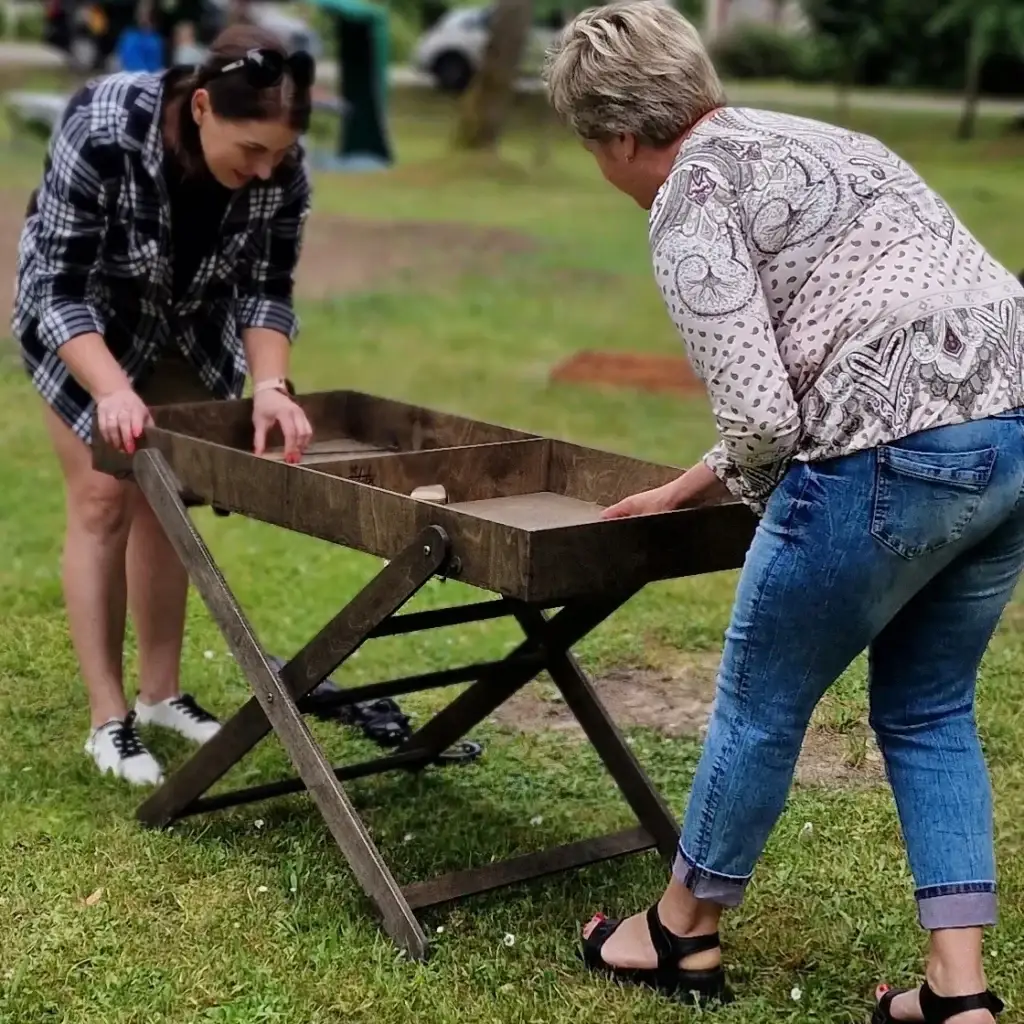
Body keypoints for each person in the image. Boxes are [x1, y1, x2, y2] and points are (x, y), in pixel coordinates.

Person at [543, 3, 1022, 1021]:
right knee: (931, 709)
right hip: (1011, 430)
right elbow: (859, 326)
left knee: (760, 702)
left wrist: (783, 514)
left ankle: (679, 933)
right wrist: (697, 479)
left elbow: (765, 414)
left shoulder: (687, 197)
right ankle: (956, 995)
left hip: (888, 452)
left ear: (619, 136)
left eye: (595, 149)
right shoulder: (818, 139)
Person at [12, 24, 316, 788]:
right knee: (102, 497)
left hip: (189, 326)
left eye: (279, 155)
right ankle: (106, 718)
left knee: (168, 501)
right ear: (204, 105)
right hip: (84, 323)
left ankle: (160, 695)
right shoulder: (103, 124)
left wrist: (272, 386)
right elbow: (54, 285)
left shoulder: (282, 169)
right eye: (252, 152)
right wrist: (112, 387)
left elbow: (265, 290)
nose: (266, 170)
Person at [116, 0, 165, 73]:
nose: (143, 14)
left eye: (147, 11)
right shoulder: (128, 35)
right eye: (141, 11)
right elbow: (120, 59)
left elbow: (158, 64)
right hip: (130, 78)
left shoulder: (156, 39)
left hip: (150, 79)